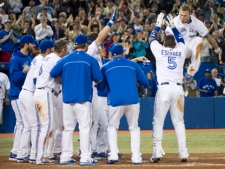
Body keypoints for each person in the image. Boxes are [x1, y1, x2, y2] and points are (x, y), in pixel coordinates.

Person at [50, 34, 102, 166]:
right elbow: (99, 79)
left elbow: (53, 73)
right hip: (83, 99)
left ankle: (65, 156)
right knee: (84, 128)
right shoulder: (90, 59)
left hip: (67, 99)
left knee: (68, 129)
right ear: (85, 45)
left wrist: (63, 78)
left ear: (74, 45)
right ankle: (85, 157)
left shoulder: (65, 59)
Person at [97, 44, 148, 164]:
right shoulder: (132, 64)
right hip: (133, 100)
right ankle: (136, 157)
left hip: (115, 101)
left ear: (111, 54)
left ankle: (113, 155)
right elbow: (144, 82)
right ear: (123, 53)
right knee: (134, 128)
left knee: (112, 127)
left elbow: (101, 87)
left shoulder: (105, 67)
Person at [149, 13, 189, 163]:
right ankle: (183, 153)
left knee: (158, 121)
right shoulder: (181, 50)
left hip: (164, 90)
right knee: (179, 122)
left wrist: (158, 24)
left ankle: (157, 152)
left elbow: (151, 39)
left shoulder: (159, 50)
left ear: (164, 43)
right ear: (175, 44)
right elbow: (181, 40)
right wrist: (173, 26)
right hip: (178, 90)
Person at [15, 39, 54, 164]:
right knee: (36, 126)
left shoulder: (36, 59)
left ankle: (21, 153)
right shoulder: (42, 60)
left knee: (27, 126)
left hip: (23, 93)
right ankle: (34, 155)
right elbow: (36, 80)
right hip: (31, 93)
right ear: (48, 50)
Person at [165, 4, 221, 82]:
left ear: (190, 14)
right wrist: (168, 51)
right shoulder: (174, 21)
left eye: (185, 16)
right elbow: (167, 36)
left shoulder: (196, 23)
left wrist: (216, 48)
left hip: (190, 47)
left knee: (199, 40)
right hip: (178, 47)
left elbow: (208, 36)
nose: (182, 18)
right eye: (180, 15)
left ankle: (191, 72)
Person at [34, 39, 66, 165]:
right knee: (48, 127)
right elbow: (58, 76)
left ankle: (47, 154)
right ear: (62, 49)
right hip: (46, 92)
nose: (66, 50)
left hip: (42, 91)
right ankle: (40, 157)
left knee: (48, 126)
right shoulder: (56, 59)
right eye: (66, 48)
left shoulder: (48, 57)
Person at [8, 35, 35, 161]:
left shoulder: (29, 57)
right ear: (25, 44)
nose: (34, 45)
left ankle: (18, 151)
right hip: (17, 94)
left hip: (25, 94)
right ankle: (16, 152)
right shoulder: (15, 59)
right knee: (22, 123)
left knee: (23, 123)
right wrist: (23, 72)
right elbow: (13, 78)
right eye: (32, 43)